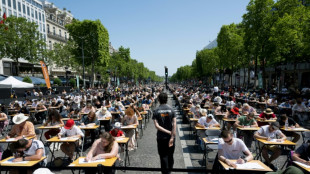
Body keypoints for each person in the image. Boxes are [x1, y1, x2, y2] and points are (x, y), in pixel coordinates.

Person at [153, 92, 176, 174]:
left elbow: (157, 126)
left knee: (163, 156)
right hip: (171, 137)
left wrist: (168, 132)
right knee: (170, 155)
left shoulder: (156, 110)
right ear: (167, 99)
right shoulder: (171, 109)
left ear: (158, 99)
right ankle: (169, 171)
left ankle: (165, 173)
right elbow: (174, 124)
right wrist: (172, 135)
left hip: (161, 137)